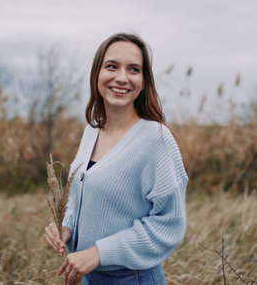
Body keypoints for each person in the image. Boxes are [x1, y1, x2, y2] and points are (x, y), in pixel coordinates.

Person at [44, 32, 188, 285]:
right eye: (112, 66)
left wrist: (99, 253)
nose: (122, 78)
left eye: (133, 70)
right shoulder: (91, 132)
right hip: (90, 277)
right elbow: (80, 199)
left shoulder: (156, 139)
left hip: (133, 278)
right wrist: (66, 228)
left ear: (143, 82)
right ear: (96, 74)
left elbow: (169, 224)